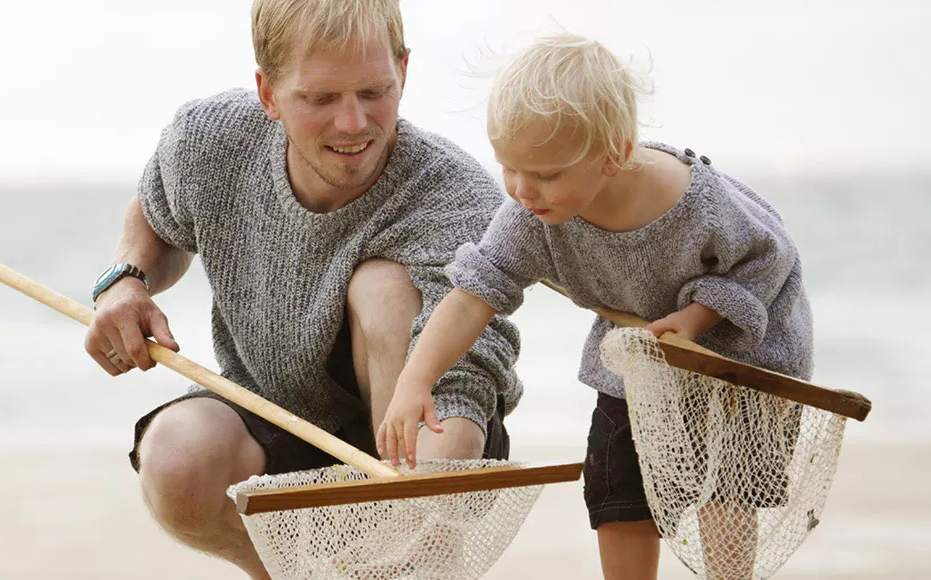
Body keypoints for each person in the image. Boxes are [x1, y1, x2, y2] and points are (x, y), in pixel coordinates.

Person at [81, 1, 523, 577]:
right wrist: (124, 282)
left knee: (383, 290)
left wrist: (425, 518)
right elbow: (158, 210)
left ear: (404, 71)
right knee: (176, 456)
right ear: (267, 92)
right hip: (276, 412)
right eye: (320, 99)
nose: (354, 124)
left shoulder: (453, 195)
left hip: (423, 437)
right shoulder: (211, 142)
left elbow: (464, 381)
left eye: (374, 92)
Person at [378, 33, 813, 580]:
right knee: (615, 485)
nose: (521, 189)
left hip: (738, 361)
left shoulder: (691, 201)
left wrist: (699, 317)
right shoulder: (529, 215)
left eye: (545, 174)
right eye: (508, 167)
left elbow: (770, 261)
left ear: (614, 152)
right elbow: (471, 297)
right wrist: (415, 379)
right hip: (641, 354)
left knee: (723, 488)